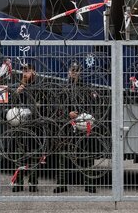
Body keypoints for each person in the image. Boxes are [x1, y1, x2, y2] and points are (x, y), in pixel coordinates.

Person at [53, 62, 97, 194]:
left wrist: (83, 115)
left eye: (77, 70)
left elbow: (92, 106)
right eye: (72, 70)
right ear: (68, 72)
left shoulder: (86, 88)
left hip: (83, 125)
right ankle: (61, 184)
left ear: (80, 72)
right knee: (63, 156)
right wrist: (68, 113)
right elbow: (56, 106)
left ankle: (89, 184)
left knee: (86, 156)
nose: (74, 72)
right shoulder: (63, 88)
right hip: (67, 126)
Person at [8, 63, 41, 192]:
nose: (25, 73)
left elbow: (43, 106)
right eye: (24, 71)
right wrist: (17, 93)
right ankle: (18, 183)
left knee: (34, 155)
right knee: (19, 155)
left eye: (28, 70)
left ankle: (33, 183)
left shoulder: (39, 87)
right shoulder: (16, 86)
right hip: (20, 127)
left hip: (34, 127)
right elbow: (9, 105)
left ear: (34, 72)